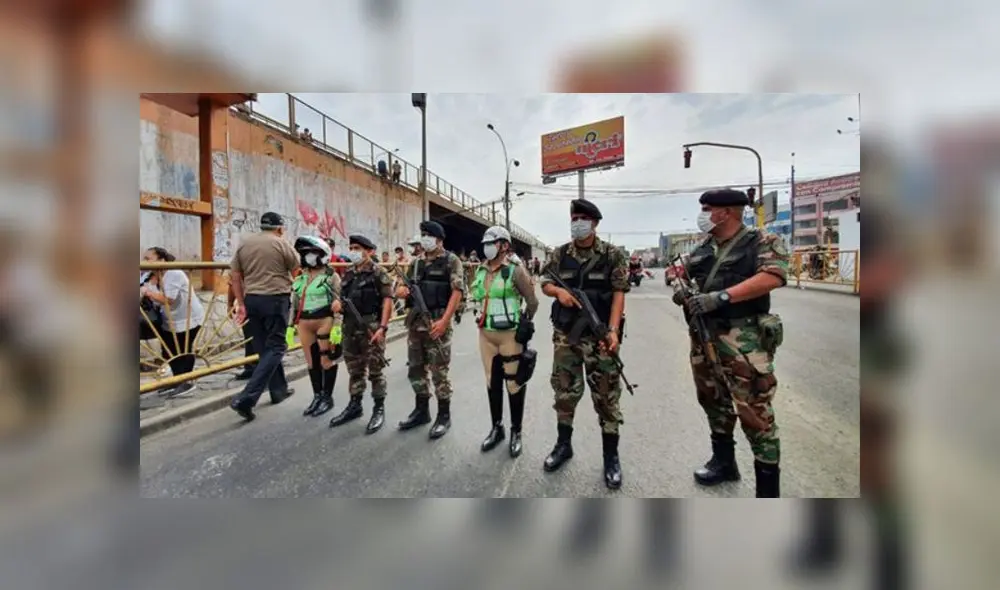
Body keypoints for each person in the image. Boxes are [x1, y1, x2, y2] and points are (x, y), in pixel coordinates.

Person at [668, 188, 788, 497]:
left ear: (728, 212)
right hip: (704, 339)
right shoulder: (704, 247)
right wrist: (680, 289)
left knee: (755, 414)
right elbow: (676, 272)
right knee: (713, 400)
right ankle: (724, 463)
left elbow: (774, 275)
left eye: (708, 209)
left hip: (743, 342)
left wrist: (720, 297)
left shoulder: (762, 241)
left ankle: (767, 493)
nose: (703, 215)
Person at [540, 199, 630, 489]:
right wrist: (558, 293)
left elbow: (618, 293)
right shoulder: (559, 254)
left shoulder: (612, 255)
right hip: (566, 336)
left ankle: (610, 457)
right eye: (573, 217)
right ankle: (563, 445)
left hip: (600, 335)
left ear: (594, 223)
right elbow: (544, 283)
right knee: (564, 391)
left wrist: (613, 331)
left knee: (606, 397)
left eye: (582, 218)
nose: (576, 222)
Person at [470, 226, 539, 457]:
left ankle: (516, 432)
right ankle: (496, 428)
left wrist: (524, 325)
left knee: (513, 384)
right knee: (492, 381)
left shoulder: (515, 271)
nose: (487, 247)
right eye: (486, 243)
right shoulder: (481, 270)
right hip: (486, 335)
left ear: (504, 245)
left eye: (492, 243)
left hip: (510, 335)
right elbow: (477, 298)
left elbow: (532, 302)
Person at [395, 220, 465, 438]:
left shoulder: (451, 261)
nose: (424, 238)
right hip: (416, 323)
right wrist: (402, 291)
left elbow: (457, 292)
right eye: (422, 234)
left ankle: (444, 416)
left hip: (437, 322)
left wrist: (444, 321)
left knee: (439, 372)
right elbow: (400, 287)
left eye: (428, 235)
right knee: (415, 369)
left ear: (439, 239)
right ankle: (421, 410)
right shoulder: (415, 263)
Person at [228, 212, 299, 421]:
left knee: (263, 349)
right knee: (277, 347)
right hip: (275, 299)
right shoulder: (281, 243)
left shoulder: (245, 244)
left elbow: (235, 277)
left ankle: (279, 390)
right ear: (279, 228)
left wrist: (241, 303)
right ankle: (247, 398)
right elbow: (296, 270)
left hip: (252, 300)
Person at [328, 234, 395, 433]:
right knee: (354, 369)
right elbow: (341, 298)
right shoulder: (348, 274)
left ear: (369, 251)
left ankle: (378, 408)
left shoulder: (378, 273)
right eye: (351, 248)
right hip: (350, 328)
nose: (353, 251)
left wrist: (382, 328)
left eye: (357, 248)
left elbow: (388, 301)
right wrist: (337, 305)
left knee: (375, 369)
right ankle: (355, 405)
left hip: (371, 326)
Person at [140, 247, 206, 397]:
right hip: (167, 320)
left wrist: (148, 292)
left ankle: (187, 381)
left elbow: (169, 299)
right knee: (169, 350)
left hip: (187, 318)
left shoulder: (174, 273)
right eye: (144, 258)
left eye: (148, 258)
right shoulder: (148, 275)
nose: (145, 262)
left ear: (161, 260)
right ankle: (177, 380)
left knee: (183, 349)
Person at [291, 236, 341, 418]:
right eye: (305, 253)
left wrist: (337, 326)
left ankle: (327, 398)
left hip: (324, 321)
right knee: (311, 363)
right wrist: (290, 326)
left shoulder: (331, 276)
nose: (307, 256)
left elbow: (339, 303)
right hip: (304, 324)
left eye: (311, 253)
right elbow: (295, 302)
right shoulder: (301, 276)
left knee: (325, 361)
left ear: (322, 254)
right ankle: (317, 396)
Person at [227, 281, 257, 380]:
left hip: (257, 301)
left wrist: (230, 304)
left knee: (255, 338)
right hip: (247, 304)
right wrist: (230, 304)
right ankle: (251, 367)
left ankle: (256, 367)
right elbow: (232, 284)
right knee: (250, 337)